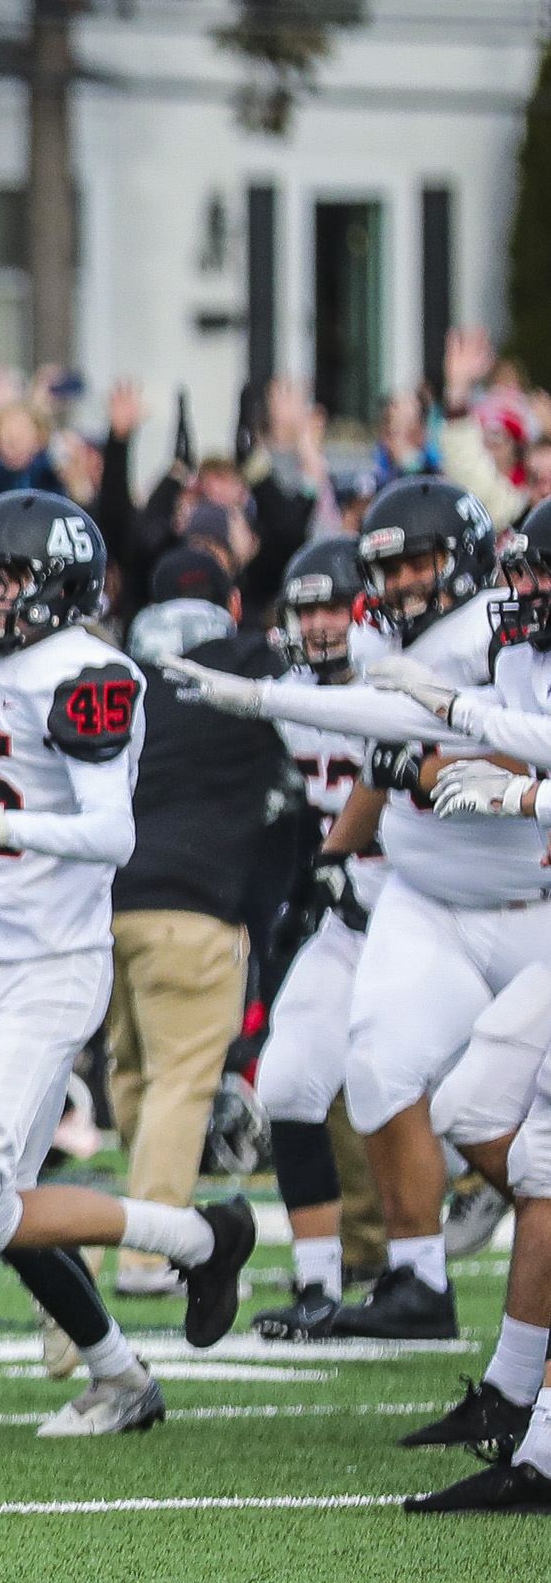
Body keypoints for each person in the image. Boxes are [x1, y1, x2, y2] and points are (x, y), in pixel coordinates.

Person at [0, 492, 254, 1456]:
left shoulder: (89, 674)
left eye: (2, 578)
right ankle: (199, 1243)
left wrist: (1, 826)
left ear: (57, 586)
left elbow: (112, 831)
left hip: (51, 965)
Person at [155, 478, 539, 1346]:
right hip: (426, 899)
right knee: (377, 1071)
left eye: (420, 564)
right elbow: (383, 753)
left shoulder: (495, 631)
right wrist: (331, 860)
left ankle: (515, 1213)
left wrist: (277, 703)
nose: (402, 585)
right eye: (389, 569)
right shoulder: (391, 642)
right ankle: (416, 1278)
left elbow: (448, 743)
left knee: (497, 1107)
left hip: (532, 905)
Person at [102, 549, 289, 1297]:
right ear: (231, 606)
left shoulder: (120, 676)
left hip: (107, 902)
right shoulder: (247, 665)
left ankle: (139, 1220)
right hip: (194, 907)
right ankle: (152, 1251)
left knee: (133, 1075)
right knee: (182, 1082)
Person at [244, 536, 378, 1337]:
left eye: (338, 605)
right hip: (357, 918)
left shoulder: (407, 683)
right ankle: (319, 1283)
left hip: (449, 911)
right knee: (288, 1080)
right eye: (309, 608)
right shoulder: (291, 693)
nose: (324, 624)